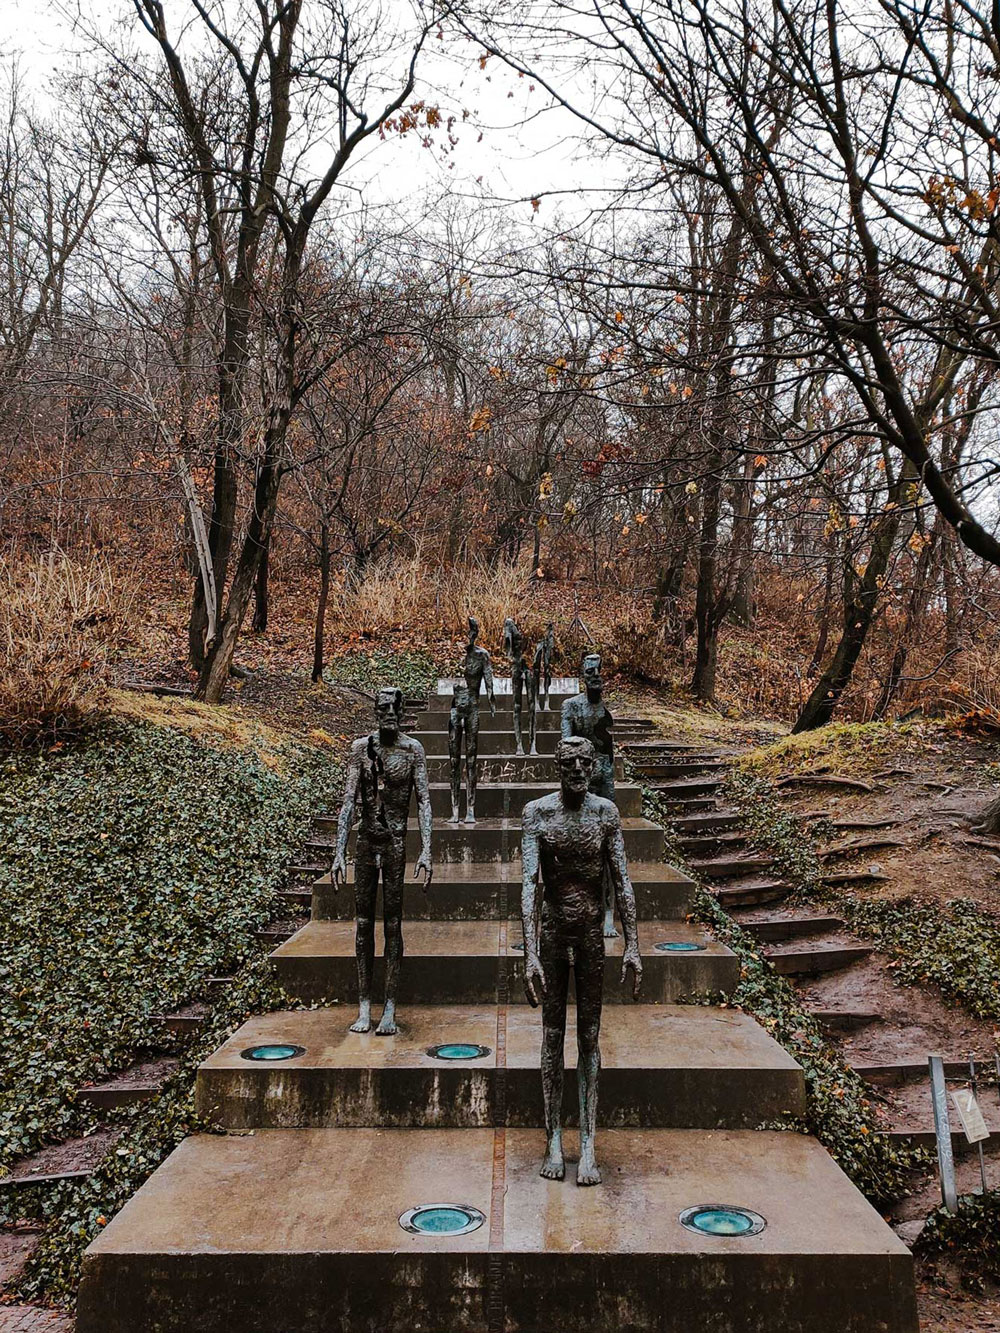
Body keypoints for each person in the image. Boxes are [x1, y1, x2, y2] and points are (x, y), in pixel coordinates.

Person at [521, 736, 642, 1186]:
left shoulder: (605, 813)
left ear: (593, 767)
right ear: (557, 766)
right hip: (554, 933)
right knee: (553, 1035)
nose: (576, 769)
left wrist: (633, 943)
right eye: (568, 762)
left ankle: (588, 1142)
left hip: (591, 934)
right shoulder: (538, 813)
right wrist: (529, 950)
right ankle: (553, 1137)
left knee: (589, 1037)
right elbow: (530, 886)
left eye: (583, 762)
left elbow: (622, 880)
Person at [331, 687, 432, 1035]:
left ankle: (389, 1006)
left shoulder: (412, 750)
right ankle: (363, 1005)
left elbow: (424, 802)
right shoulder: (361, 749)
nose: (389, 712)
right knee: (362, 924)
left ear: (402, 711)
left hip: (394, 844)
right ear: (376, 711)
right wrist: (338, 851)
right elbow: (348, 802)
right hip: (366, 842)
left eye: (394, 707)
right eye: (383, 707)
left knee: (392, 924)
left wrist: (428, 849)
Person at [561, 652, 617, 936]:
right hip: (578, 779)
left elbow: (608, 757)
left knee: (607, 846)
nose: (595, 675)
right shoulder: (570, 707)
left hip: (603, 778)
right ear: (583, 676)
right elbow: (566, 748)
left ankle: (609, 912)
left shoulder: (605, 711)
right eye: (590, 671)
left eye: (598, 671)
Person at [448, 616, 496, 824]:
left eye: (472, 631)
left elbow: (488, 679)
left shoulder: (481, 655)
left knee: (471, 760)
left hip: (473, 708)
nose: (469, 635)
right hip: (456, 709)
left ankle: (470, 810)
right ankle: (454, 810)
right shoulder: (460, 656)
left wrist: (491, 699)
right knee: (453, 761)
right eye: (467, 632)